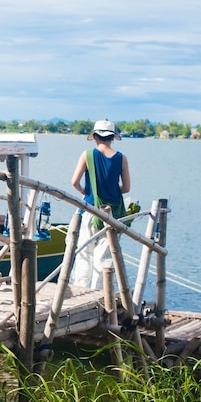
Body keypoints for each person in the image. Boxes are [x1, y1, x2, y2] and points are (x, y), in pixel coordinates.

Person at [70, 119, 131, 290]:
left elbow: (74, 181)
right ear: (112, 137)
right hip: (111, 214)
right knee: (104, 256)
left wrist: (85, 192)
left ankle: (80, 288)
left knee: (84, 252)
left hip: (90, 209)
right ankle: (99, 291)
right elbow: (126, 188)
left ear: (95, 136)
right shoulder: (121, 158)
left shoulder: (87, 155)